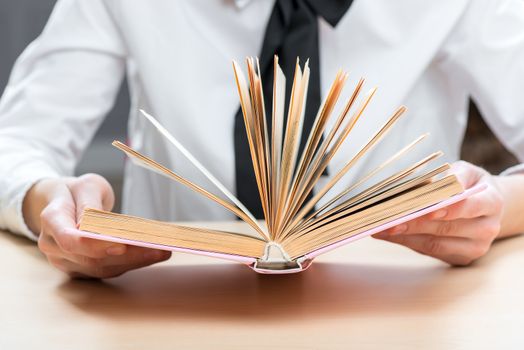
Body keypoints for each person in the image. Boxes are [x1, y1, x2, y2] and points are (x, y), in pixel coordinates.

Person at [1, 0, 524, 279]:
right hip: (168, 308)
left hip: (400, 306)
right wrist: (46, 201)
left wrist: (497, 206)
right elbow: (16, 140)